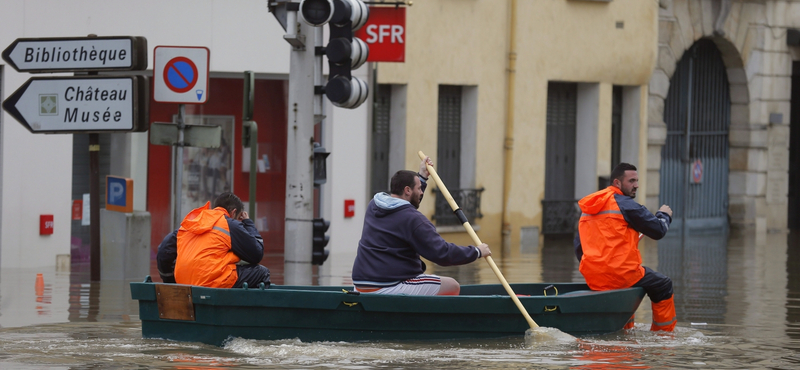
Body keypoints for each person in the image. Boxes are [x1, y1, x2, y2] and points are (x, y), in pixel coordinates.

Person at [351, 157, 492, 296]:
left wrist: (422, 178)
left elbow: (406, 209)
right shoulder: (414, 219)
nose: (422, 192)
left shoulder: (374, 206)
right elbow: (442, 254)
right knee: (452, 286)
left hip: (360, 285)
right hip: (389, 285)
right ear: (407, 190)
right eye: (419, 189)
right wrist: (477, 252)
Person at [574, 163, 676, 331]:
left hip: (593, 275)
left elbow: (579, 247)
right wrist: (664, 215)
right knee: (663, 284)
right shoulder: (627, 205)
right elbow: (658, 231)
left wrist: (597, 267)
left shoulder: (589, 207)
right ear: (617, 183)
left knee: (627, 284)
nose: (636, 185)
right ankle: (664, 334)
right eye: (632, 181)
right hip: (621, 273)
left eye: (637, 180)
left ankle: (624, 329)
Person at [157, 192, 271, 288]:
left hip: (183, 282)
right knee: (262, 272)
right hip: (212, 282)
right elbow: (257, 253)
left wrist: (171, 282)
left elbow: (163, 251)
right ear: (233, 212)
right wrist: (247, 222)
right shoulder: (230, 224)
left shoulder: (192, 223)